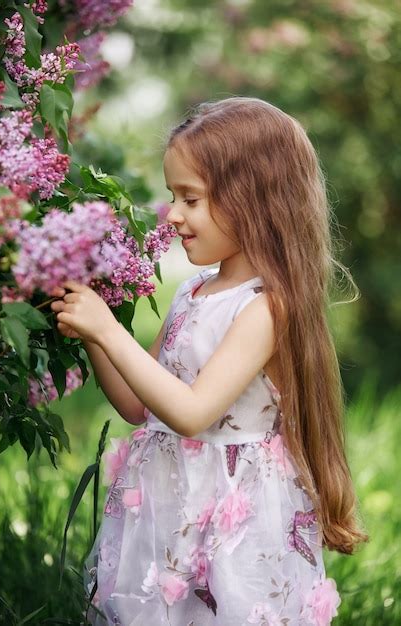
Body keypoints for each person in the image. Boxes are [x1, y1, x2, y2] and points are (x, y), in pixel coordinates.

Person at [50, 97, 368, 625]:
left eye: (190, 199)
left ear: (252, 199)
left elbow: (193, 412)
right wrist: (93, 332)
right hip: (170, 510)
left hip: (232, 520)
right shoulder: (194, 289)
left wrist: (108, 328)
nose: (172, 214)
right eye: (175, 196)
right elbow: (136, 403)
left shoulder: (265, 307)